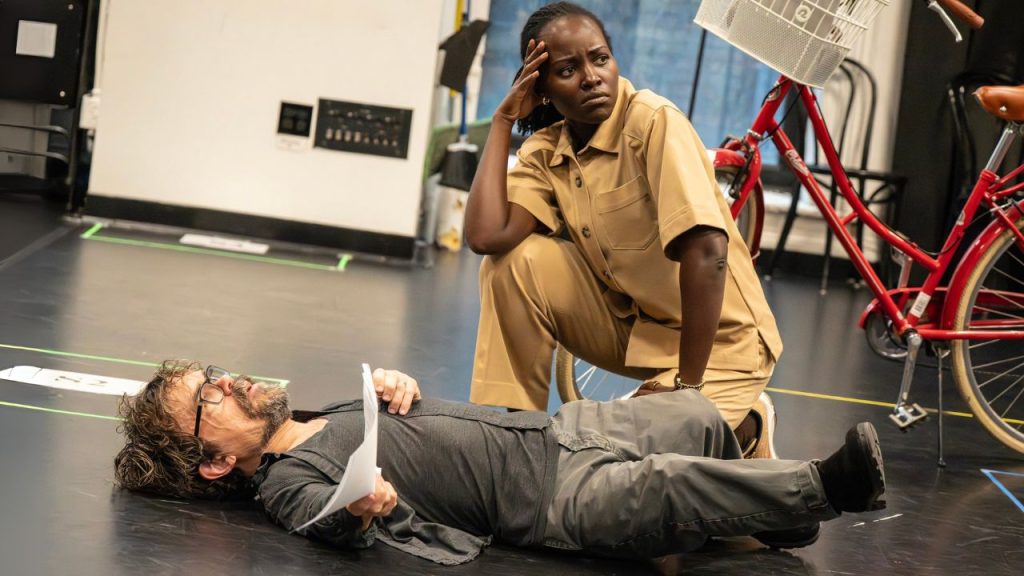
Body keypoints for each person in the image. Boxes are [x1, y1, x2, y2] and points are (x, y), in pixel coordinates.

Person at [114, 361, 887, 566]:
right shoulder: (284, 480)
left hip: (561, 433)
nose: (227, 383)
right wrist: (362, 508)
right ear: (212, 463)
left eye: (213, 373)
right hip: (557, 498)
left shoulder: (322, 414)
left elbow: (415, 425)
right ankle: (824, 489)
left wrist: (395, 386)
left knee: (693, 412)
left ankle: (778, 518)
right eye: (206, 399)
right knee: (668, 486)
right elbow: (322, 521)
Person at [464, 2, 783, 457]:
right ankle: (519, 449)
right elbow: (487, 237)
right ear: (542, 88)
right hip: (637, 329)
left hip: (721, 345)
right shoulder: (546, 150)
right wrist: (502, 122)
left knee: (621, 465)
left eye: (599, 58)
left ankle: (747, 428)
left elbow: (708, 252)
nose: (591, 77)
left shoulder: (653, 121)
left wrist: (686, 390)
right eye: (567, 69)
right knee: (511, 263)